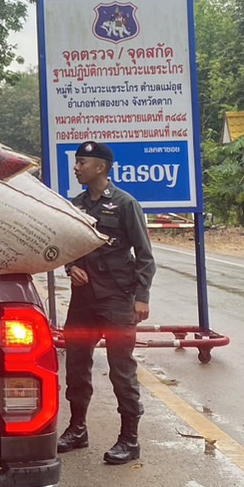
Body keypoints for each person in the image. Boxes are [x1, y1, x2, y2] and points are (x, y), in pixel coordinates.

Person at [57, 140, 156, 465]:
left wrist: (141, 298)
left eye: (82, 163)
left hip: (117, 299)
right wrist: (71, 267)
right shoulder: (76, 205)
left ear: (100, 167)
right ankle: (77, 429)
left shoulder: (125, 204)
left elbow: (144, 255)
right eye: (76, 162)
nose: (76, 168)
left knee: (121, 371)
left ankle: (130, 440)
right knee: (76, 366)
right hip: (83, 301)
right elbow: (68, 246)